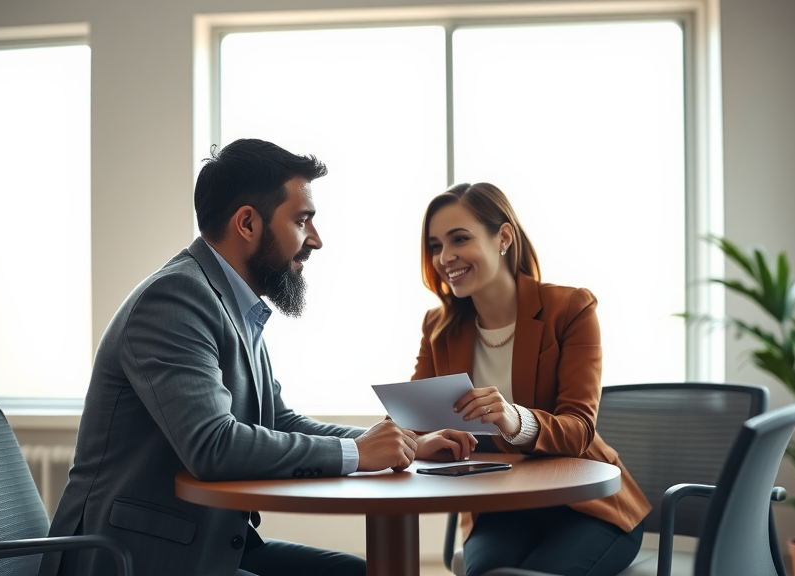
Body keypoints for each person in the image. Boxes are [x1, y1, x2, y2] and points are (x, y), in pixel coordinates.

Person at [40, 139, 467, 576]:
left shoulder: (233, 304)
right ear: (247, 222)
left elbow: (278, 422)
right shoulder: (174, 300)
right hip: (134, 557)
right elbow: (213, 446)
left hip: (202, 545)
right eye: (302, 221)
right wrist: (358, 452)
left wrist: (404, 445)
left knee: (358, 572)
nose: (316, 240)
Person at [412, 182, 652, 576]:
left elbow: (579, 430)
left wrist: (513, 418)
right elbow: (414, 416)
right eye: (436, 245)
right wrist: (423, 440)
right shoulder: (440, 328)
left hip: (590, 509)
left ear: (503, 237)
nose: (445, 257)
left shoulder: (570, 308)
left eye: (459, 239)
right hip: (503, 510)